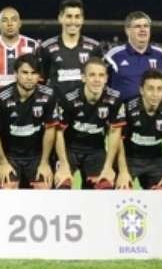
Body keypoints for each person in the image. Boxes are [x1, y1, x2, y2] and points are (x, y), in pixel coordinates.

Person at [112, 70, 162, 209]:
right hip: (130, 158)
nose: (155, 94)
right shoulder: (127, 107)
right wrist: (122, 171)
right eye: (150, 88)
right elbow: (118, 139)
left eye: (159, 89)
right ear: (141, 90)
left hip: (155, 160)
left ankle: (160, 230)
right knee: (120, 194)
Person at [0, 54, 58, 189]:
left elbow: (50, 129)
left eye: (34, 73)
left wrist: (44, 162)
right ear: (16, 74)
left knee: (44, 187)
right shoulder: (1, 97)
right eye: (25, 72)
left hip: (37, 156)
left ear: (39, 76)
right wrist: (2, 162)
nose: (29, 77)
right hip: (10, 156)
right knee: (8, 187)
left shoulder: (48, 95)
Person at [53, 57, 125, 189]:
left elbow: (115, 133)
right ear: (83, 78)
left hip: (96, 151)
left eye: (101, 75)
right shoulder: (69, 98)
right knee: (63, 185)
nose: (97, 80)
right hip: (69, 149)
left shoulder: (115, 99)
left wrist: (108, 167)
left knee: (104, 188)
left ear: (106, 78)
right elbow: (58, 132)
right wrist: (63, 165)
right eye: (92, 75)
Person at [38, 0, 103, 98]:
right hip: (56, 109)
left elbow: (100, 79)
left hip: (85, 109)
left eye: (77, 17)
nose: (73, 21)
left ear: (82, 19)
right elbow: (41, 82)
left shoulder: (95, 47)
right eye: (69, 16)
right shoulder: (46, 47)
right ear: (60, 18)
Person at [105, 11, 162, 101]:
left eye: (146, 26)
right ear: (127, 30)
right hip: (122, 112)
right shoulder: (113, 56)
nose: (143, 29)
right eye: (137, 26)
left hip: (152, 113)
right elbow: (103, 85)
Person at [0, 6, 39, 93]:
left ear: (20, 23)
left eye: (13, 20)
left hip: (25, 101)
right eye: (4, 20)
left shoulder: (33, 46)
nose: (9, 23)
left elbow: (39, 76)